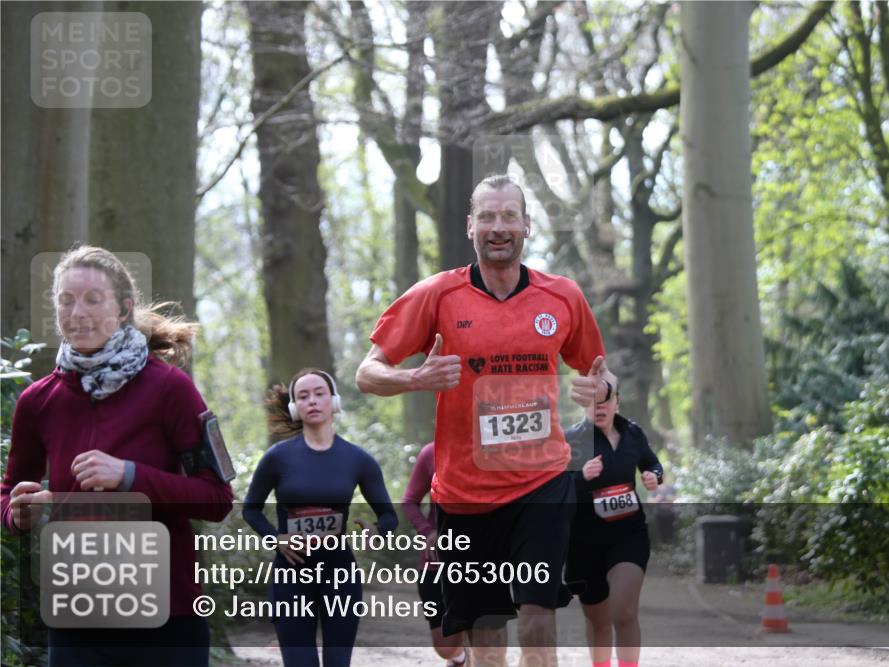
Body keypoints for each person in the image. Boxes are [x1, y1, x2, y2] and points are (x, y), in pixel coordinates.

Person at [356, 174, 616, 667]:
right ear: (471, 227)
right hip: (465, 493)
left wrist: (601, 389)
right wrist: (416, 379)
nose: (500, 227)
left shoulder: (562, 297)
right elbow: (366, 373)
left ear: (527, 226)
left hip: (542, 480)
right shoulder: (437, 296)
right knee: (486, 629)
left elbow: (600, 373)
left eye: (509, 216)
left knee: (539, 616)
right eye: (489, 217)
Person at [0, 245, 234, 667]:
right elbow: (7, 495)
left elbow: (217, 499)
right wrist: (17, 513)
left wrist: (130, 476)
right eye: (66, 301)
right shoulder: (38, 401)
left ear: (124, 309)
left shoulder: (170, 389)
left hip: (167, 615)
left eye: (93, 299)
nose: (78, 313)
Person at [243, 368, 398, 667]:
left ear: (334, 401)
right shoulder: (277, 458)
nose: (312, 401)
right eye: (303, 396)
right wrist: (276, 538)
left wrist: (377, 531)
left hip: (339, 576)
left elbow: (389, 515)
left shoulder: (358, 460)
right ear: (295, 407)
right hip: (291, 576)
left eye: (319, 394)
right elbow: (250, 509)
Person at [565, 385, 663, 667]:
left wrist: (654, 475)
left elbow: (653, 464)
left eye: (605, 401)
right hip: (583, 541)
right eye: (592, 402)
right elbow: (555, 489)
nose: (599, 408)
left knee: (623, 611)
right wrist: (581, 477)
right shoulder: (572, 439)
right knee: (598, 620)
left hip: (628, 535)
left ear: (616, 402)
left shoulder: (633, 433)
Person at [401, 442, 467, 666]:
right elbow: (410, 501)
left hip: (478, 562)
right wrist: (427, 531)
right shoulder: (431, 452)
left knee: (480, 631)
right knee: (445, 647)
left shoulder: (491, 450)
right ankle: (460, 657)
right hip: (435, 564)